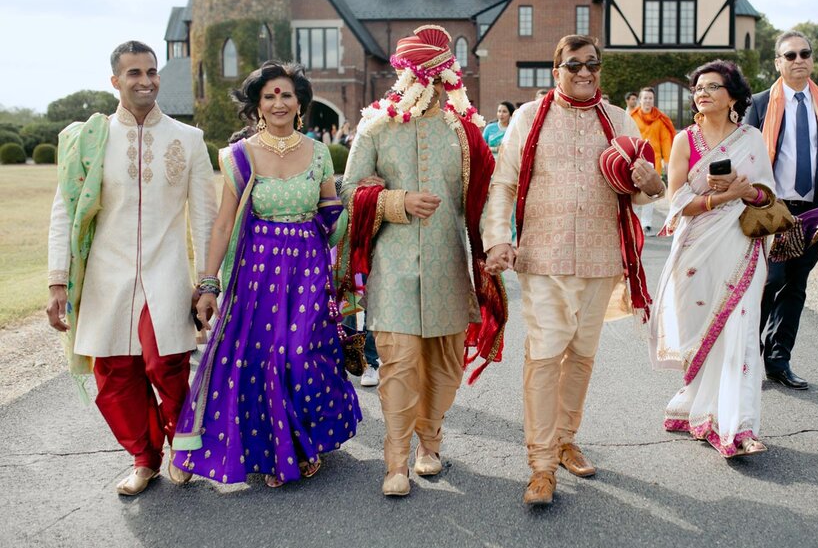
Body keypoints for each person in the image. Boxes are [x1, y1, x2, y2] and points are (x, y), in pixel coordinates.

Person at [483, 34, 664, 505]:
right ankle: (541, 465)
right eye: (574, 65)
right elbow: (502, 184)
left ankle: (565, 439)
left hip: (603, 258)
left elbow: (645, 190)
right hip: (543, 257)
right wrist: (498, 239)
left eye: (593, 65)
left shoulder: (620, 121)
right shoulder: (528, 118)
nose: (585, 73)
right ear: (555, 70)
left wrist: (650, 183)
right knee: (545, 355)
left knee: (582, 355)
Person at [171, 61, 361, 487]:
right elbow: (223, 224)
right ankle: (276, 451)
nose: (279, 102)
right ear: (258, 105)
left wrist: (357, 201)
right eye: (269, 95)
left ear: (299, 104)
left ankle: (301, 441)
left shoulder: (317, 153)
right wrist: (208, 281)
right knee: (263, 358)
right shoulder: (240, 155)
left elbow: (330, 211)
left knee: (299, 352)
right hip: (257, 273)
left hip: (308, 269)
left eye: (286, 95)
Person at [340, 25, 506, 497]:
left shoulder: (464, 131)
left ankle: (429, 442)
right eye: (425, 75)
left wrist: (496, 244)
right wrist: (396, 201)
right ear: (409, 75)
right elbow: (349, 190)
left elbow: (492, 194)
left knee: (444, 364)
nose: (432, 84)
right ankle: (395, 462)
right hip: (392, 269)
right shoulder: (375, 126)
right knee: (398, 364)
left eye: (440, 75)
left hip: (449, 266)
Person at [46, 40, 217, 495]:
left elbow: (204, 218)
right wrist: (57, 281)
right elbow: (65, 210)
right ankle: (144, 458)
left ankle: (183, 449)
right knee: (115, 376)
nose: (145, 81)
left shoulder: (188, 139)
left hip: (165, 273)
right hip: (106, 276)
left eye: (151, 71)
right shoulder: (89, 139)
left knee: (167, 365)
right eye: (134, 73)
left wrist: (207, 283)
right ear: (115, 81)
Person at [649, 60, 771, 458]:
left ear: (733, 96)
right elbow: (678, 202)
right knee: (704, 329)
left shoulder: (751, 138)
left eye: (713, 86)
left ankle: (740, 425)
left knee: (740, 332)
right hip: (696, 248)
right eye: (698, 87)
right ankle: (699, 409)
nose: (702, 93)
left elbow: (768, 195)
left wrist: (745, 191)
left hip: (739, 244)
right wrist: (722, 196)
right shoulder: (686, 139)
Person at [744, 30, 818, 390]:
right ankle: (750, 354)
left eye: (804, 54)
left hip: (815, 208)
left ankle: (779, 359)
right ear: (778, 63)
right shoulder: (759, 103)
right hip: (773, 208)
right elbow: (748, 153)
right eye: (790, 55)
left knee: (796, 285)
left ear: (812, 59)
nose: (798, 60)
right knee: (771, 281)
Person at [630, 86, 677, 233]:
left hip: (654, 161)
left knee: (650, 192)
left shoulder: (660, 119)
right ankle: (634, 221)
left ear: (653, 100)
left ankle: (646, 223)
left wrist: (668, 160)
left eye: (650, 98)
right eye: (645, 98)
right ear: (640, 100)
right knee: (634, 191)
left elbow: (665, 141)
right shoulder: (632, 117)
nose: (647, 101)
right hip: (635, 160)